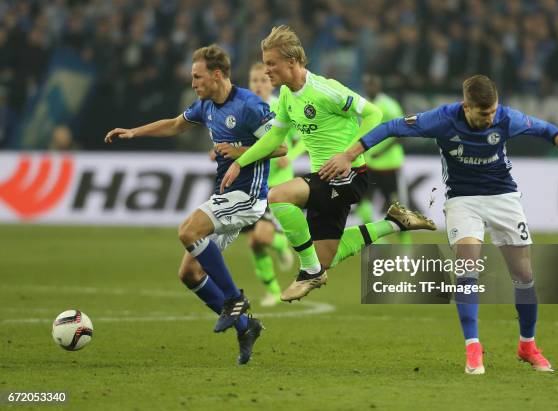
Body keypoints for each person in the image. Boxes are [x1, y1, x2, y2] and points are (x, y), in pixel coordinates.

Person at [319, 74, 558, 374]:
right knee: (467, 269)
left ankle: (527, 345)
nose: (490, 119)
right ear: (466, 106)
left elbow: (544, 128)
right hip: (462, 199)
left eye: (493, 111)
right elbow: (390, 127)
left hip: (504, 197)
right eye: (483, 113)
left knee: (524, 275)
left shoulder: (505, 118)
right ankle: (473, 348)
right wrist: (349, 154)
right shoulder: (442, 119)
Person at [221, 25, 435, 302]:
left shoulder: (325, 90)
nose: (267, 71)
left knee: (278, 196)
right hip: (323, 176)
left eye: (272, 64)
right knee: (326, 257)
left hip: (349, 175)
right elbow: (276, 136)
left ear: (292, 61)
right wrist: (241, 161)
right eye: (265, 64)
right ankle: (395, 223)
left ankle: (309, 272)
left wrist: (348, 154)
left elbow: (373, 113)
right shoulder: (287, 94)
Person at [105, 45, 288, 365]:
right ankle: (247, 327)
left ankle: (234, 299)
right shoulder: (206, 105)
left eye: (197, 76)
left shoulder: (250, 106)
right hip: (225, 195)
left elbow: (281, 146)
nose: (193, 83)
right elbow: (176, 124)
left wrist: (240, 151)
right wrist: (134, 132)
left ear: (217, 75)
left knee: (188, 230)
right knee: (189, 273)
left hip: (249, 198)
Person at [244, 62, 306, 306]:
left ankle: (281, 245)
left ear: (271, 82)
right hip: (252, 185)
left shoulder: (281, 106)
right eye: (254, 81)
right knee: (255, 242)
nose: (258, 85)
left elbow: (301, 140)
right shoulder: (245, 110)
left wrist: (289, 155)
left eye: (263, 80)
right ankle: (271, 289)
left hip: (278, 186)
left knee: (261, 237)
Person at [356, 73, 406, 236]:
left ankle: (404, 242)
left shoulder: (390, 106)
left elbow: (401, 134)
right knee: (363, 200)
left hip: (389, 164)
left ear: (379, 86)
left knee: (395, 205)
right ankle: (374, 238)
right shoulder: (362, 105)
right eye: (367, 84)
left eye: (373, 84)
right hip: (369, 163)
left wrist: (380, 152)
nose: (370, 87)